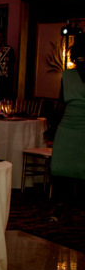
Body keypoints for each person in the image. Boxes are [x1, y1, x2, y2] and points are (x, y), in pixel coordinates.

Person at [50, 41, 85, 222]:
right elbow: (61, 102)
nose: (79, 55)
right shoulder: (67, 75)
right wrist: (52, 128)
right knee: (60, 167)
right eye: (77, 51)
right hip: (67, 126)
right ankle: (60, 206)